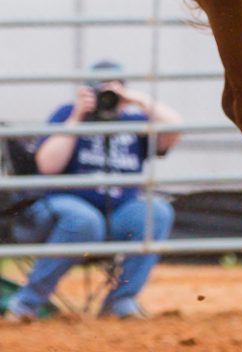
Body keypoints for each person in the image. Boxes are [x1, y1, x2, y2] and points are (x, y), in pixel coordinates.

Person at [4, 60, 181, 322]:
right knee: (84, 220)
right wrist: (77, 118)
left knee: (157, 212)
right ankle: (26, 304)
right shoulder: (67, 114)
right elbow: (47, 166)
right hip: (60, 213)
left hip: (117, 214)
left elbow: (175, 128)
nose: (106, 97)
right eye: (100, 91)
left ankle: (120, 302)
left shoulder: (134, 120)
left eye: (114, 90)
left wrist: (137, 100)